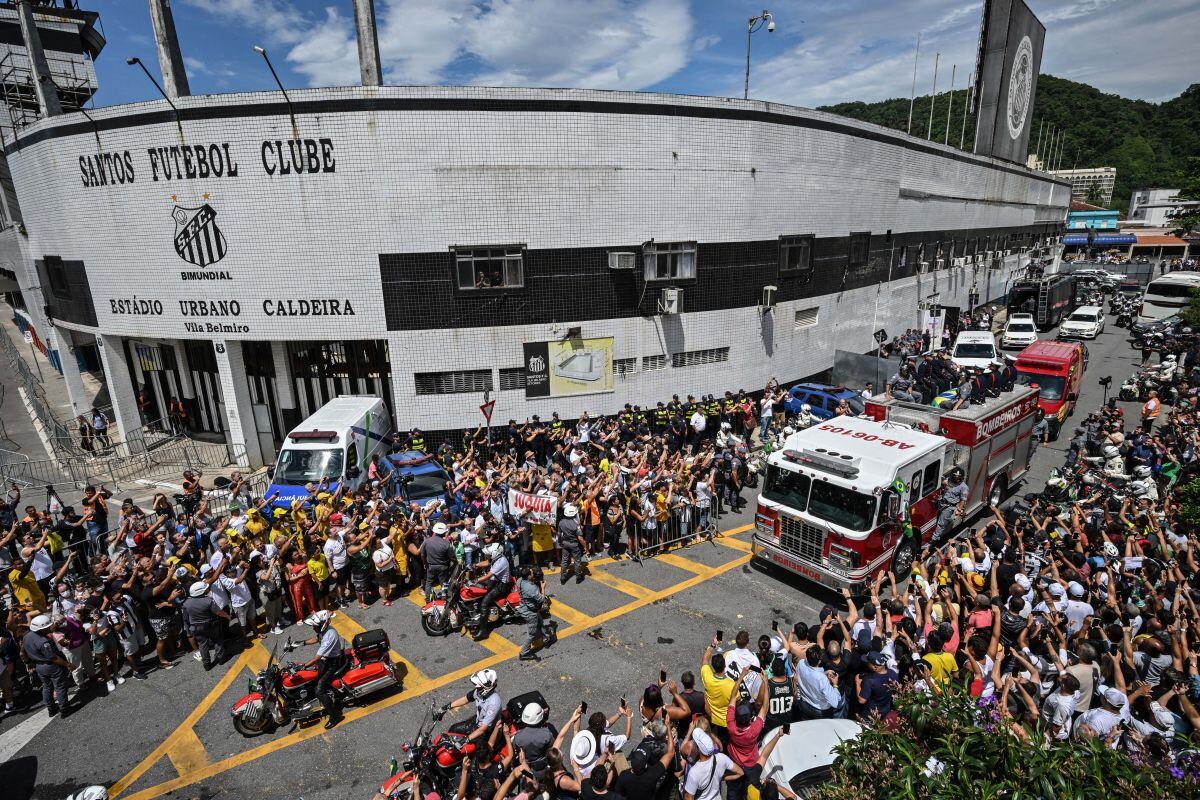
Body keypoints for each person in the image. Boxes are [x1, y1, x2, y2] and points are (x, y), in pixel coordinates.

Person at [289, 609, 345, 729]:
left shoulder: (330, 636)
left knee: (319, 690)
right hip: (326, 660)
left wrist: (303, 666)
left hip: (332, 663)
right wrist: (300, 643)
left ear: (322, 624)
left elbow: (316, 658)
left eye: (315, 626)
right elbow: (316, 639)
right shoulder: (323, 630)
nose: (313, 628)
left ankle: (335, 715)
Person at [24, 614, 73, 716]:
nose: (49, 628)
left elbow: (22, 652)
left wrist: (28, 663)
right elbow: (53, 658)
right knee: (60, 687)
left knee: (47, 687)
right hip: (50, 666)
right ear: (40, 629)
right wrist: (67, 664)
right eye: (46, 627)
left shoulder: (26, 637)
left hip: (39, 666)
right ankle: (64, 709)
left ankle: (51, 709)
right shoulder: (43, 642)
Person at [437, 668, 502, 742]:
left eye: (478, 686)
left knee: (471, 750)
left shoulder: (494, 703)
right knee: (453, 729)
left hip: (486, 732)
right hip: (478, 722)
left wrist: (466, 740)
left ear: (485, 688)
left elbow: (483, 729)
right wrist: (446, 707)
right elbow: (465, 699)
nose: (476, 687)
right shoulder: (479, 692)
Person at [182, 580, 230, 671]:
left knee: (202, 645)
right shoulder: (208, 600)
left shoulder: (186, 604)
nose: (207, 589)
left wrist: (188, 632)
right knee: (217, 640)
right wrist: (227, 616)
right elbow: (218, 612)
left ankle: (207, 664)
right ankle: (221, 658)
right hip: (212, 625)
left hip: (196, 628)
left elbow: (185, 619)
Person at [681, 728, 741, 800]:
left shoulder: (694, 772)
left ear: (699, 749)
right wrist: (721, 778)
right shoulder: (722, 758)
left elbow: (688, 798)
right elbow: (740, 772)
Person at [473, 541, 512, 642]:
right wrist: (474, 565)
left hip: (502, 586)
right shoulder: (497, 557)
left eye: (490, 554)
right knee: (479, 590)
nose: (488, 555)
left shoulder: (501, 562)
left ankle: (483, 632)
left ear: (495, 553)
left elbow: (488, 575)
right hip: (496, 581)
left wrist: (475, 580)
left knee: (484, 603)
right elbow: (487, 562)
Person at [516, 564, 551, 661]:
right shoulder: (531, 588)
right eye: (532, 573)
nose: (533, 574)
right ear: (529, 576)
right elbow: (542, 599)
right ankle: (523, 653)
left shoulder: (519, 580)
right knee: (531, 634)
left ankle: (546, 637)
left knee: (540, 622)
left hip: (525, 607)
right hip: (530, 612)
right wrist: (543, 587)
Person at [934, 469, 968, 540]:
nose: (957, 479)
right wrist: (943, 482)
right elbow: (942, 483)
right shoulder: (949, 481)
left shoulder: (964, 487)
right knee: (934, 520)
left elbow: (963, 500)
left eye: (959, 478)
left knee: (941, 523)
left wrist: (959, 510)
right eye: (955, 477)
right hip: (941, 503)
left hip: (949, 507)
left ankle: (934, 539)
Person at [557, 504, 587, 585]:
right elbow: (580, 538)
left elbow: (559, 534)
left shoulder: (561, 522)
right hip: (574, 544)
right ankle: (578, 577)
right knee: (577, 561)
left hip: (565, 543)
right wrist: (585, 547)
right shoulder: (576, 524)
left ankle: (563, 577)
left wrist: (559, 542)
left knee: (564, 560)